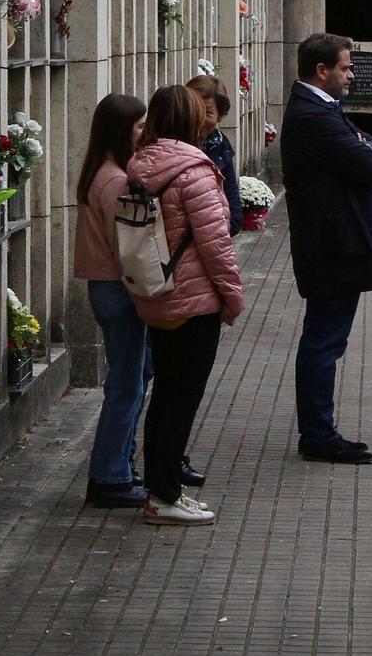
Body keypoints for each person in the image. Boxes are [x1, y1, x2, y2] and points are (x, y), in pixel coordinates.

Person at [126, 84, 245, 524]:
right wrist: (231, 299)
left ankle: (161, 489)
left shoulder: (140, 164)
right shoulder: (194, 171)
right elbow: (217, 246)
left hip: (156, 292)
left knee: (165, 398)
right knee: (181, 400)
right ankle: (164, 497)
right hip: (194, 301)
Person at [279, 32, 372, 464]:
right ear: (321, 71)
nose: (351, 75)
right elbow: (370, 164)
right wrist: (368, 149)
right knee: (324, 342)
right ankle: (318, 435)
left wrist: (369, 146)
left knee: (327, 340)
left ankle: (319, 430)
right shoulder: (313, 115)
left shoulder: (324, 108)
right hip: (329, 247)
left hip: (336, 243)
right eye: (345, 67)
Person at [74, 92, 152, 508]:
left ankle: (121, 460)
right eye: (140, 127)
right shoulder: (116, 180)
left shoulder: (97, 172)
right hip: (119, 288)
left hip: (101, 285)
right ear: (122, 130)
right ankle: (110, 475)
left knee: (134, 375)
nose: (144, 134)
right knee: (126, 385)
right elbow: (125, 244)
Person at [187, 70, 244, 236]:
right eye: (195, 108)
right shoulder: (174, 145)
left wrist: (223, 229)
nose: (199, 116)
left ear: (220, 116)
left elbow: (231, 194)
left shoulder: (220, 145)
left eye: (208, 112)